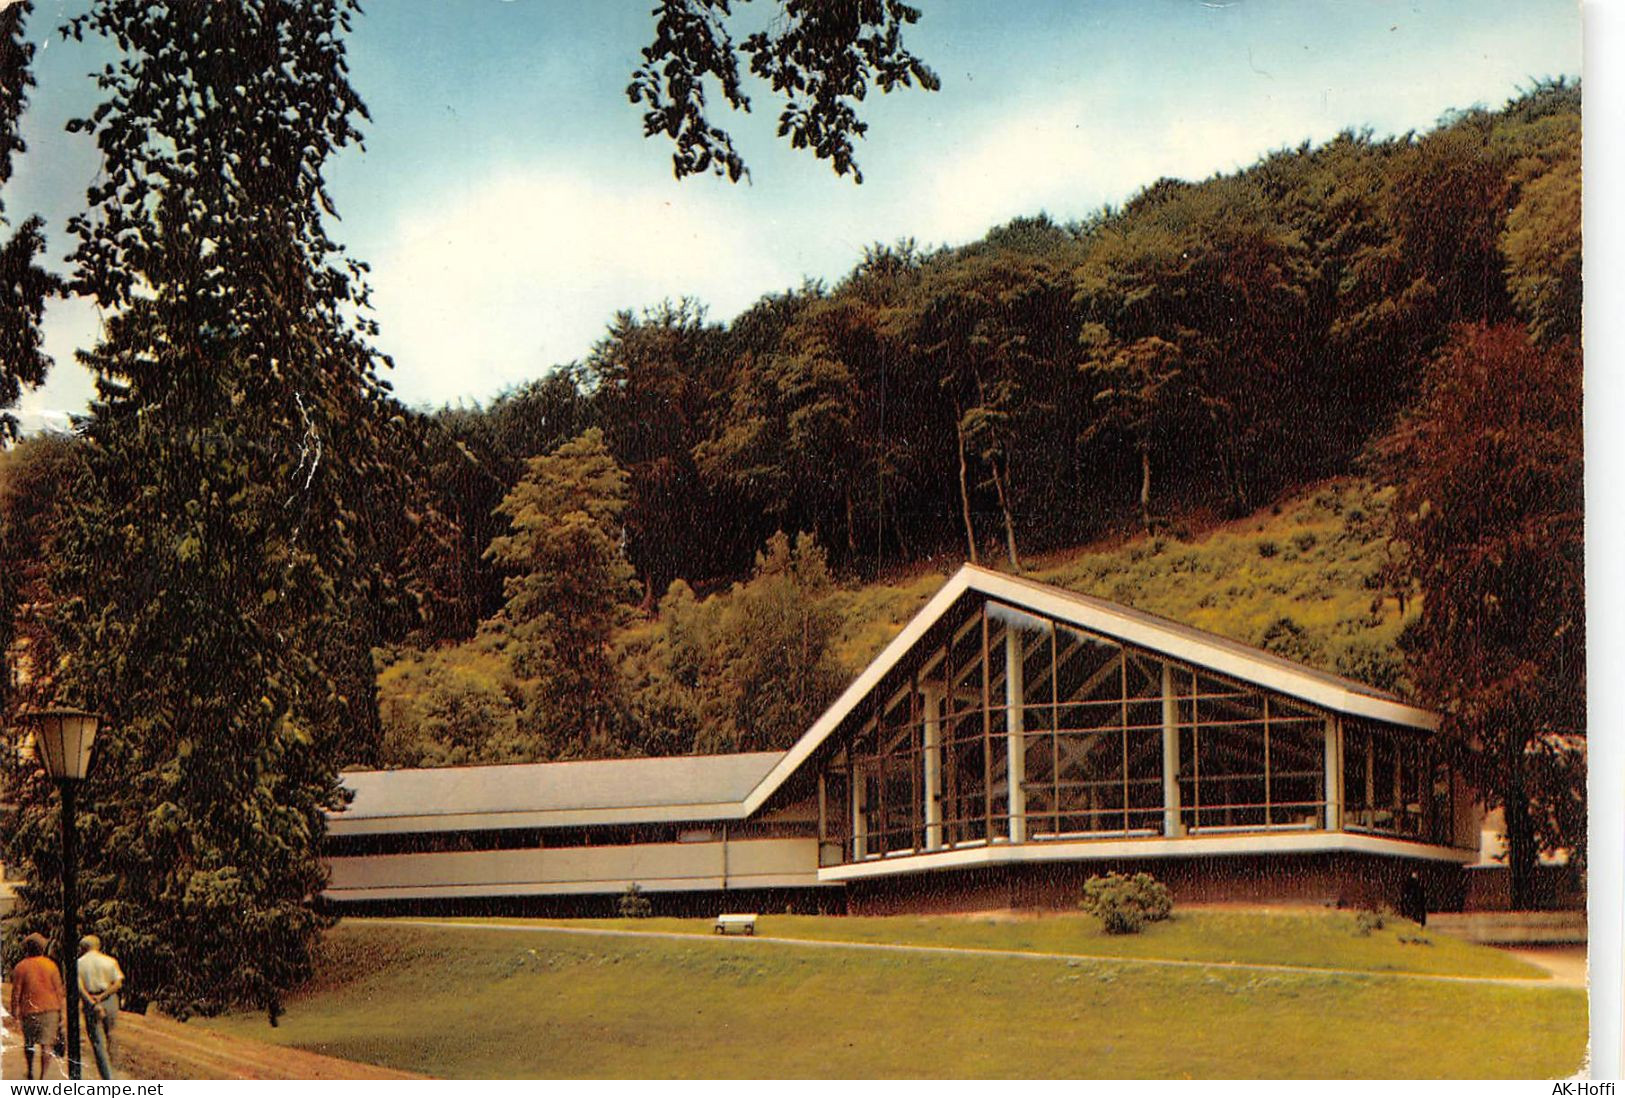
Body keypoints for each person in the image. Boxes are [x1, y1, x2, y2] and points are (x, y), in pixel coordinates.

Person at [7, 932, 66, 1080]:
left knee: (29, 1043)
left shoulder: (21, 967)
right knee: (47, 1044)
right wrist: (62, 1013)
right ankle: (43, 1076)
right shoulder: (51, 965)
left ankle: (30, 1070)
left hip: (29, 1010)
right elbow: (59, 990)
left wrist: (15, 1011)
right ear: (42, 948)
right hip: (50, 1009)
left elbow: (16, 992)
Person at [77, 934, 125, 1080]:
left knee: (98, 1042)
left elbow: (78, 987)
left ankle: (107, 1077)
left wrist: (92, 1002)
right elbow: (118, 983)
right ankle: (115, 1071)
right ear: (98, 946)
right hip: (109, 999)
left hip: (90, 1000)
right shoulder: (110, 961)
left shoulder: (78, 963)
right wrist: (103, 996)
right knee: (111, 1034)